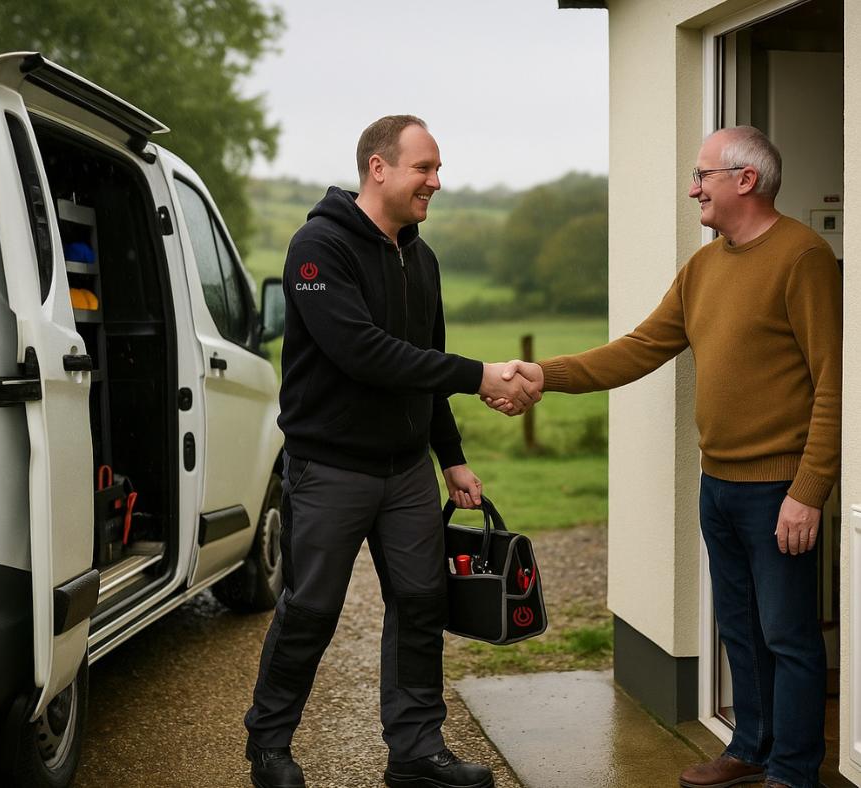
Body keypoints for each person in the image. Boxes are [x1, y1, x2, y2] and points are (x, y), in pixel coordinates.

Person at [489, 126, 841, 788]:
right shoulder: (705, 267)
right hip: (720, 485)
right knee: (739, 629)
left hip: (778, 489)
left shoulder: (803, 257)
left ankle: (794, 774)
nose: (691, 188)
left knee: (789, 638)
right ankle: (752, 748)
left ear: (745, 180)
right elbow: (640, 346)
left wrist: (809, 488)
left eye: (702, 175)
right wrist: (543, 376)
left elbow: (835, 381)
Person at [243, 115, 541, 788]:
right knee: (310, 610)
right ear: (379, 168)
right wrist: (480, 375)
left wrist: (451, 456)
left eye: (437, 169)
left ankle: (415, 754)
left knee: (420, 604)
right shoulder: (318, 248)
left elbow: (423, 365)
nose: (436, 182)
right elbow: (363, 353)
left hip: (405, 471)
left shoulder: (421, 257)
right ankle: (268, 745)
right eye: (424, 169)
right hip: (330, 469)